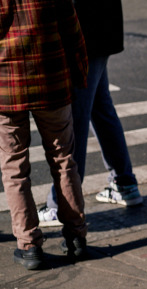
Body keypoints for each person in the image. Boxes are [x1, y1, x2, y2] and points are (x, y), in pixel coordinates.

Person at [1, 0, 89, 269]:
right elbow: (72, 31)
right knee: (64, 161)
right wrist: (80, 74)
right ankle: (75, 236)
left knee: (14, 167)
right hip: (51, 81)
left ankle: (29, 246)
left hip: (6, 87)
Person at [37, 0, 142, 228]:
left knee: (77, 118)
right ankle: (124, 183)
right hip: (101, 30)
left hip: (83, 33)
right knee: (100, 107)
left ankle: (61, 203)